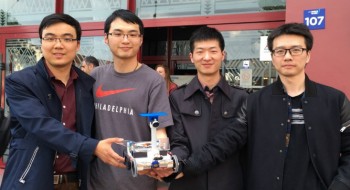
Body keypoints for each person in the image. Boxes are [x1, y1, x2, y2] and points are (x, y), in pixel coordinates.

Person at [172, 23, 350, 190]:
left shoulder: (335, 100)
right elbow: (225, 142)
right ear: (272, 56)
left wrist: (340, 185)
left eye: (296, 50)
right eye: (280, 51)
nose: (287, 56)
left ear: (308, 54)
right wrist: (184, 166)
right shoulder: (254, 102)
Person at [0, 13, 126, 190]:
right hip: (28, 181)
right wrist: (93, 147)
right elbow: (41, 125)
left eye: (67, 39)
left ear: (77, 45)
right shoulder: (20, 82)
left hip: (74, 183)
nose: (58, 45)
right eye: (50, 38)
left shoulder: (87, 85)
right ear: (41, 42)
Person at [88, 9, 174, 190]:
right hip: (97, 182)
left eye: (132, 34)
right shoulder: (95, 76)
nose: (125, 40)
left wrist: (161, 173)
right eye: (118, 33)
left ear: (141, 40)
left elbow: (159, 132)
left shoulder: (153, 81)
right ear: (106, 38)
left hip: (138, 182)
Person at [161, 26, 248, 190]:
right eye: (200, 52)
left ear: (223, 55)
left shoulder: (242, 98)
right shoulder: (177, 98)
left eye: (213, 51)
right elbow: (178, 142)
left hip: (229, 183)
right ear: (191, 57)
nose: (207, 57)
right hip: (187, 183)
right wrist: (174, 164)